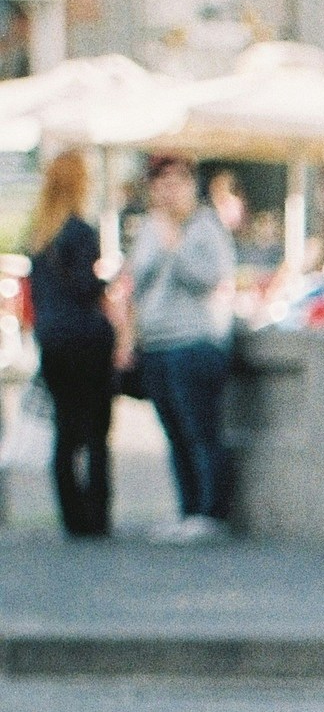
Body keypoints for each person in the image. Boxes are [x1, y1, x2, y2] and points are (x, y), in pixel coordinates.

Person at [121, 156, 234, 543]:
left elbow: (209, 278)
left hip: (193, 342)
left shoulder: (204, 226)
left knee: (200, 429)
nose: (168, 191)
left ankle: (210, 511)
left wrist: (177, 246)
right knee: (174, 433)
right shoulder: (149, 228)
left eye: (177, 182)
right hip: (155, 343)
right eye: (160, 183)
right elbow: (138, 283)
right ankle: (187, 509)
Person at [19, 150, 117, 541]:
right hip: (87, 340)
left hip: (53, 340)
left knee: (65, 430)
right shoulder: (80, 231)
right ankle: (96, 514)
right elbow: (84, 289)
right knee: (95, 431)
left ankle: (71, 516)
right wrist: (107, 281)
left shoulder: (39, 235)